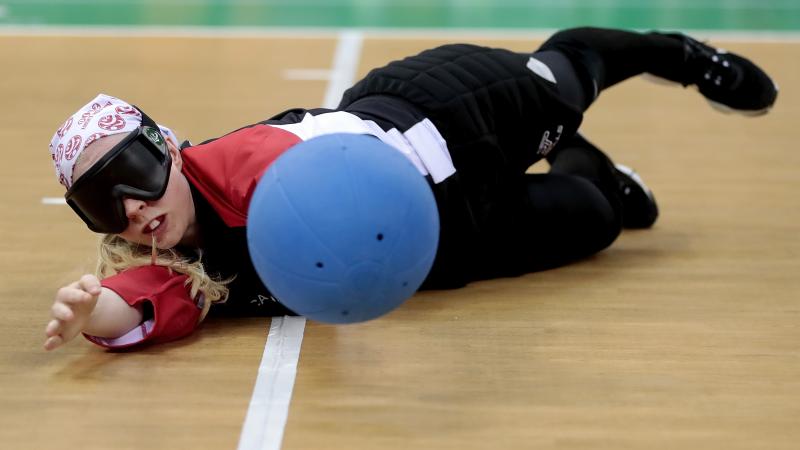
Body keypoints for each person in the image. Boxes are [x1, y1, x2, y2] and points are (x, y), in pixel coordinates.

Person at [43, 27, 778, 351]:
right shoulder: (177, 261)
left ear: (168, 147)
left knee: (570, 76)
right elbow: (143, 303)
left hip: (449, 121)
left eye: (135, 177)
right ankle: (594, 169)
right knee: (600, 218)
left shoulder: (247, 166)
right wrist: (92, 315)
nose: (134, 209)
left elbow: (338, 154)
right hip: (436, 243)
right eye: (104, 203)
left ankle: (677, 55)